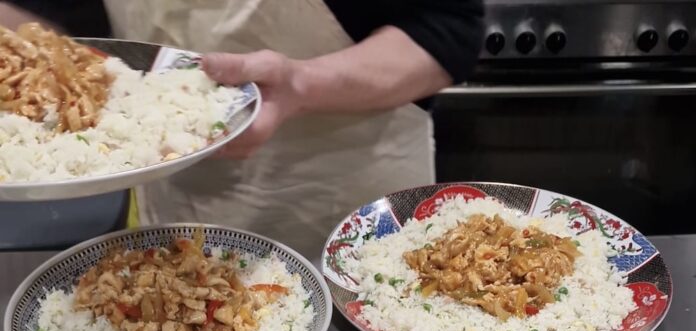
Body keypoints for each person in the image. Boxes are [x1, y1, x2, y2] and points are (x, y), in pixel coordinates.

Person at [0, 1, 484, 259]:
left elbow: (446, 31)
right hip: (174, 193)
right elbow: (59, 23)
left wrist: (301, 83)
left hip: (352, 201)